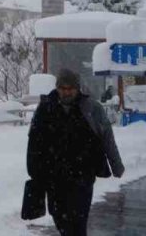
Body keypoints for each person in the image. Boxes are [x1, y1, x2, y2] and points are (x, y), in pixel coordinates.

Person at [27, 69, 125, 236]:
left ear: (77, 88)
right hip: (54, 176)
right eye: (62, 88)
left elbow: (106, 136)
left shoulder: (91, 108)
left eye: (70, 88)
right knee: (59, 218)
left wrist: (116, 164)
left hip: (82, 175)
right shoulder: (46, 108)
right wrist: (34, 171)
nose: (66, 92)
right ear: (57, 88)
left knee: (78, 222)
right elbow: (34, 142)